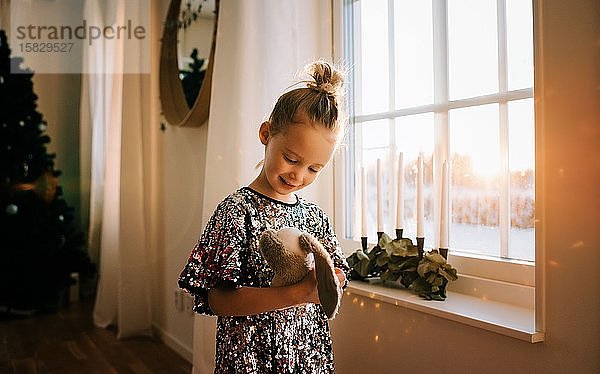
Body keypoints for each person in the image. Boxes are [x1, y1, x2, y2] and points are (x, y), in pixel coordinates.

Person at [178, 60, 350, 373]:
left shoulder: (314, 217)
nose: (298, 175)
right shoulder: (236, 211)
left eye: (313, 169)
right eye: (291, 159)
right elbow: (218, 300)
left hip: (306, 357)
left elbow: (338, 276)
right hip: (250, 359)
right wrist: (295, 293)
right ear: (266, 133)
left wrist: (331, 279)